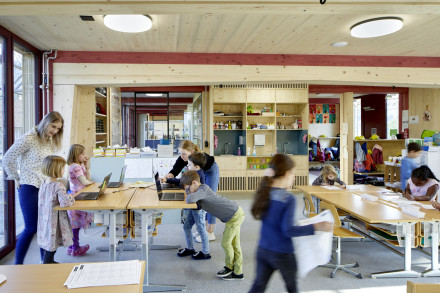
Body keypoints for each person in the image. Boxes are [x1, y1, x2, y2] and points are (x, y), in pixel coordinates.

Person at [248, 154, 333, 293]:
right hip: (282, 253)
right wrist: (317, 226)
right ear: (287, 174)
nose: (293, 177)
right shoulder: (288, 199)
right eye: (293, 174)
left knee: (257, 287)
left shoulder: (264, 192)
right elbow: (288, 230)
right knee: (292, 288)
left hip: (263, 249)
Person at [3, 111, 64, 264]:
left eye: (58, 129)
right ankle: (18, 265)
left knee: (44, 226)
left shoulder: (49, 140)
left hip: (45, 187)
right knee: (31, 227)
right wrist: (16, 178)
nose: (55, 131)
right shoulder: (28, 139)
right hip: (29, 186)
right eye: (53, 126)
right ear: (46, 122)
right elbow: (7, 158)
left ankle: (46, 261)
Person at [181, 170, 245, 280]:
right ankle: (238, 272)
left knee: (226, 244)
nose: (188, 192)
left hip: (234, 215)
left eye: (188, 189)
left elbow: (189, 199)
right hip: (234, 214)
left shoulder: (203, 189)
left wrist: (188, 195)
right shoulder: (200, 192)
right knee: (234, 244)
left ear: (195, 183)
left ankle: (229, 268)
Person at [164, 140, 219, 241]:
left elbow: (196, 179)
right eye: (180, 153)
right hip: (200, 171)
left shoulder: (200, 160)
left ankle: (210, 231)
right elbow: (175, 170)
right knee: (200, 200)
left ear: (192, 152)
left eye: (184, 154)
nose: (181, 156)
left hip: (211, 170)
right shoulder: (183, 157)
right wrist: (169, 175)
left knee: (209, 199)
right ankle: (203, 228)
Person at [169, 152, 211, 260]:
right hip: (194, 207)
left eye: (189, 165)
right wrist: (169, 180)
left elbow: (189, 188)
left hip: (199, 208)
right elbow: (182, 182)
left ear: (196, 166)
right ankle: (190, 248)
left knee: (201, 229)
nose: (187, 166)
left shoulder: (198, 176)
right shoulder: (195, 173)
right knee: (186, 226)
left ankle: (206, 252)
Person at [37, 155, 75, 264]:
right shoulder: (58, 186)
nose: (64, 170)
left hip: (44, 219)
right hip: (54, 220)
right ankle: (47, 265)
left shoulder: (43, 184)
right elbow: (66, 203)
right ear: (56, 169)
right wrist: (71, 198)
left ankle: (48, 262)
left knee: (48, 243)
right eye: (63, 168)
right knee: (52, 247)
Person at [66, 144, 94, 256]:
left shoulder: (77, 165)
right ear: (76, 154)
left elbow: (88, 178)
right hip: (77, 196)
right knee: (75, 224)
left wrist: (87, 167)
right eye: (82, 154)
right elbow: (85, 182)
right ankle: (75, 249)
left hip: (78, 195)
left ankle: (71, 247)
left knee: (74, 224)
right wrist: (93, 184)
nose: (85, 156)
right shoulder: (75, 167)